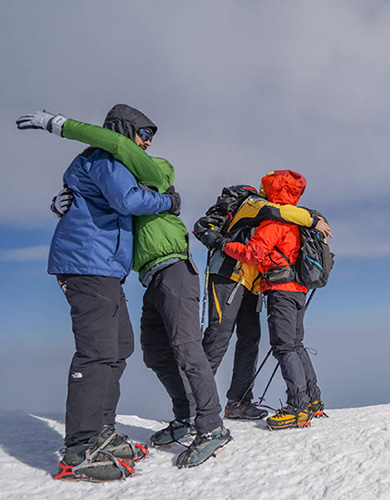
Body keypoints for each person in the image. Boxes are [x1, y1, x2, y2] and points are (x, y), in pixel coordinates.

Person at [17, 105, 231, 469]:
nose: (147, 144)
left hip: (172, 267)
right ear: (125, 132)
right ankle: (171, 419)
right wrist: (64, 202)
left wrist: (167, 198)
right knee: (143, 351)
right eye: (143, 134)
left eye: (150, 138)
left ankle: (210, 425)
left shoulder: (157, 169)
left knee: (178, 347)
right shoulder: (111, 166)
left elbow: (124, 170)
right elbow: (111, 187)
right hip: (132, 272)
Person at [194, 183, 331, 420]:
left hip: (252, 282)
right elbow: (278, 213)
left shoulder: (272, 214)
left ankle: (238, 403)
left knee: (251, 340)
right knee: (218, 338)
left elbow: (263, 240)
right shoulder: (255, 205)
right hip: (230, 274)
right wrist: (312, 219)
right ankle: (194, 408)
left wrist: (311, 219)